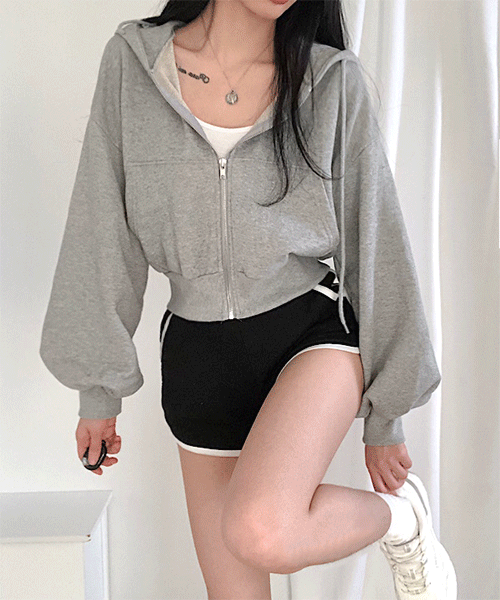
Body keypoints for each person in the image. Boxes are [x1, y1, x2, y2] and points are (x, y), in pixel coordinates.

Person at [39, 0, 457, 598]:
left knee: (262, 530)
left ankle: (402, 519)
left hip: (310, 336)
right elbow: (100, 223)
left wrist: (387, 412)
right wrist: (97, 388)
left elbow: (376, 239)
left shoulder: (329, 81)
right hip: (199, 356)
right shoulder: (134, 64)